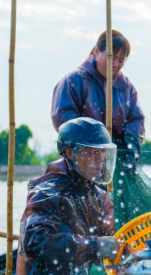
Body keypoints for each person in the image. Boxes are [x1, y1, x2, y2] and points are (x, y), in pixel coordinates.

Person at [16, 117, 119, 275]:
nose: (99, 159)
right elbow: (34, 241)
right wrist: (95, 246)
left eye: (102, 152)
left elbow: (110, 238)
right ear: (70, 153)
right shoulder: (48, 192)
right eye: (91, 152)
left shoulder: (99, 195)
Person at [51, 30, 145, 175]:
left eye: (121, 60)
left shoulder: (126, 87)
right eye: (111, 58)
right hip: (80, 160)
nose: (115, 64)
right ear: (96, 52)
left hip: (115, 160)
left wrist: (130, 150)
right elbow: (64, 120)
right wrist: (92, 148)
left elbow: (136, 121)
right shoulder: (73, 81)